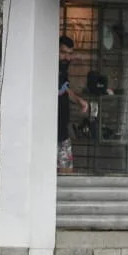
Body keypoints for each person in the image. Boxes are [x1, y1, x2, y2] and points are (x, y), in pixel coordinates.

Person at [58, 36, 89, 173]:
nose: (67, 58)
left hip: (63, 132)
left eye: (70, 54)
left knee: (66, 174)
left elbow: (65, 89)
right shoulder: (46, 70)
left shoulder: (63, 70)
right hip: (47, 133)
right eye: (63, 53)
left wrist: (79, 101)